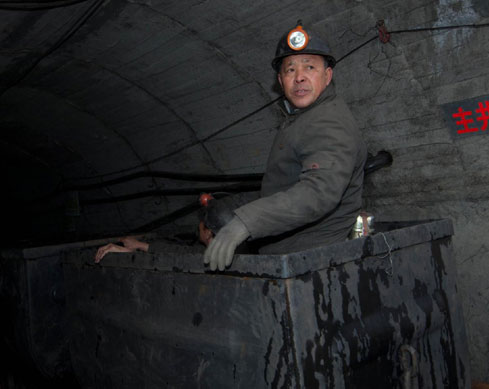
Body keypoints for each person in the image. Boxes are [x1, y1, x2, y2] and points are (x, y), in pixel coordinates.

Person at [204, 21, 367, 271]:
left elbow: (317, 193)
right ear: (281, 81)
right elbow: (282, 188)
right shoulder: (303, 118)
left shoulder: (328, 121)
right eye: (290, 70)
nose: (299, 77)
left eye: (309, 67)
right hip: (296, 259)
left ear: (327, 75)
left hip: (315, 267)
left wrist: (244, 224)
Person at [94, 194, 237, 262]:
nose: (198, 225)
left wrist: (137, 246)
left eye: (201, 225)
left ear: (207, 233)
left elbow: (179, 256)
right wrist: (136, 247)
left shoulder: (205, 259)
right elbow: (180, 251)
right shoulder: (231, 253)